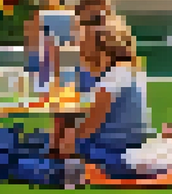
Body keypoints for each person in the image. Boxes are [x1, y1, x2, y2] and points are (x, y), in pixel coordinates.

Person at [60, 21, 154, 179]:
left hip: (115, 145)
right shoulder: (131, 70)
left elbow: (94, 120)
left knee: (60, 141)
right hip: (133, 141)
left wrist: (71, 141)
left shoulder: (115, 74)